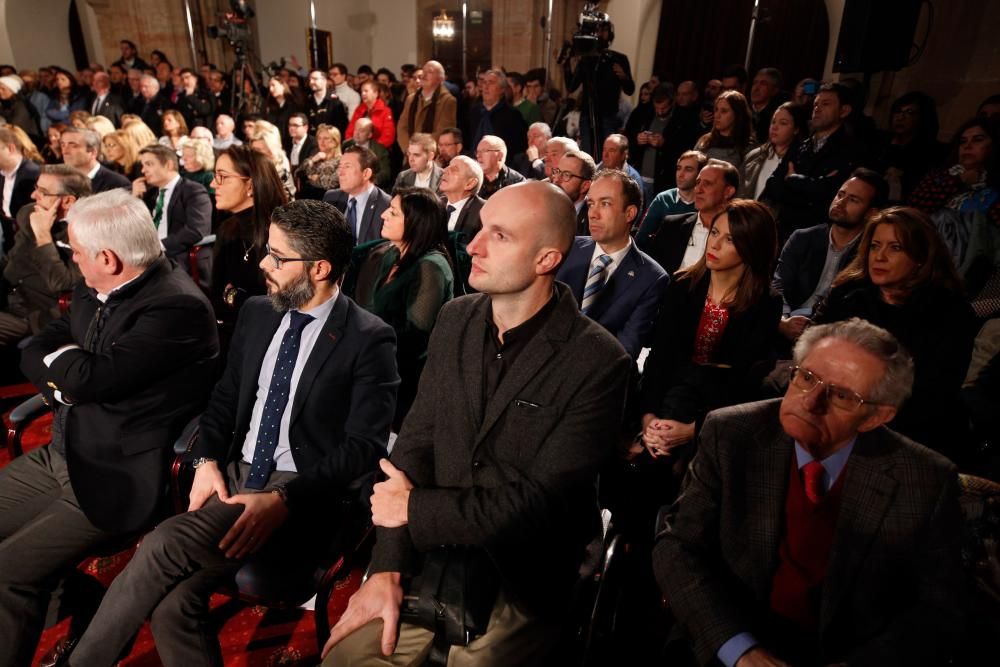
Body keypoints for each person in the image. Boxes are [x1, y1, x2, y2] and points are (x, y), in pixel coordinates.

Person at [67, 199, 399, 667]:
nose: (263, 263)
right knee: (174, 603)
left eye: (278, 257)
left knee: (162, 543)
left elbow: (364, 448)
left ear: (320, 268)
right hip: (238, 476)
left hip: (303, 494)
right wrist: (205, 460)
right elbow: (224, 399)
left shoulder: (370, 337)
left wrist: (285, 499)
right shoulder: (258, 313)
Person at [322, 180, 632, 665]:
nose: (473, 246)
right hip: (432, 556)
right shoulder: (455, 319)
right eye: (480, 228)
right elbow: (415, 447)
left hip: (523, 573)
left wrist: (414, 510)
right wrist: (386, 569)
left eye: (500, 236)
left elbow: (538, 505)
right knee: (348, 658)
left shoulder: (599, 361)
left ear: (546, 259)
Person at [654, 318, 964, 667]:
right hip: (728, 643)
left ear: (876, 417)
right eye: (807, 377)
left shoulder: (926, 479)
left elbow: (940, 608)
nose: (811, 401)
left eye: (842, 395)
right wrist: (740, 650)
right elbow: (678, 548)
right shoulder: (730, 433)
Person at [1, 189, 218, 666]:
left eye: (75, 252)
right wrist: (67, 384)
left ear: (108, 257)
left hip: (111, 475)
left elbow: (91, 378)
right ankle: (76, 597)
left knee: (8, 571)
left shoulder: (175, 307)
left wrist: (72, 377)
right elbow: (41, 345)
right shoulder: (94, 281)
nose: (71, 259)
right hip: (60, 449)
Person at [813, 207, 978, 463]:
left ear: (920, 257)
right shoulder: (847, 293)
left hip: (908, 427)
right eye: (875, 246)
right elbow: (812, 353)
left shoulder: (951, 312)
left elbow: (933, 392)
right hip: (833, 411)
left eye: (895, 248)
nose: (880, 256)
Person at [350, 187, 454, 428]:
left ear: (417, 222)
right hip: (374, 363)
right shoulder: (388, 255)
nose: (384, 215)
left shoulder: (432, 267)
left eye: (394, 213)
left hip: (406, 381)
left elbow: (415, 340)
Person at [556, 169, 669, 359]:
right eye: (591, 203)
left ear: (629, 213)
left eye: (605, 204)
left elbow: (625, 350)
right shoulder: (567, 248)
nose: (593, 213)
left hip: (595, 376)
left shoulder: (652, 278)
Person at [773, 169, 886, 343]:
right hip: (788, 323)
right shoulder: (803, 238)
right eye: (840, 194)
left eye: (853, 200)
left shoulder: (870, 252)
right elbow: (780, 284)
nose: (840, 202)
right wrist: (783, 320)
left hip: (832, 336)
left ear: (871, 213)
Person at [761, 82, 866, 242]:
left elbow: (830, 196)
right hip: (784, 232)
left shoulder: (849, 151)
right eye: (816, 104)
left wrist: (794, 180)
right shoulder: (800, 146)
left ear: (844, 111)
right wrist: (813, 186)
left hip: (817, 237)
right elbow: (772, 185)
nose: (817, 108)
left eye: (825, 104)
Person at [0, 165, 90, 345]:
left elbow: (61, 284)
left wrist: (43, 235)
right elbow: (13, 258)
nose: (34, 196)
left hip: (37, 313)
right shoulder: (29, 213)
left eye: (43, 192)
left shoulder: (87, 233)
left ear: (67, 201)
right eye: (36, 188)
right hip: (6, 294)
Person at [210, 145, 288, 345]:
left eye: (222, 177)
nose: (213, 184)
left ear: (250, 186)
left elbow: (279, 305)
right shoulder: (228, 228)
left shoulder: (284, 233)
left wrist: (233, 295)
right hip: (231, 335)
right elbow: (217, 294)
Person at [909, 116, 999, 271]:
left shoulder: (996, 188)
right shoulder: (940, 177)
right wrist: (958, 181)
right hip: (923, 256)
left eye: (978, 140)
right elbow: (914, 210)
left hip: (974, 267)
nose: (967, 146)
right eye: (963, 141)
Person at [640, 159, 738, 274]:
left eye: (707, 184)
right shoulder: (672, 225)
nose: (698, 190)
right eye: (698, 183)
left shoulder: (738, 235)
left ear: (728, 192)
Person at [132, 143, 212, 280]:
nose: (143, 171)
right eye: (142, 165)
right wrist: (135, 198)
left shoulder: (193, 190)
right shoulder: (149, 194)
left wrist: (158, 246)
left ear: (168, 165)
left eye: (149, 164)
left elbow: (196, 230)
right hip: (148, 256)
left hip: (177, 256)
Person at [561, 13, 635, 154]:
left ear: (610, 33)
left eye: (604, 30)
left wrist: (624, 76)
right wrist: (566, 65)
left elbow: (630, 89)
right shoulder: (586, 59)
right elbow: (571, 86)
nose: (600, 34)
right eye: (598, 30)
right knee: (588, 153)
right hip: (587, 115)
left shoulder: (619, 58)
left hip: (609, 115)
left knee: (607, 154)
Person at [626, 84, 700, 205]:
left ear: (672, 103)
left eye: (664, 108)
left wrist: (665, 144)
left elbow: (689, 149)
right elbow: (627, 136)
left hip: (665, 180)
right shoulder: (643, 112)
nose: (660, 112)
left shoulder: (684, 119)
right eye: (657, 108)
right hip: (639, 176)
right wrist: (637, 139)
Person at [876, 92, 948, 203]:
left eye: (909, 112)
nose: (900, 117)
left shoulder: (932, 152)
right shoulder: (879, 142)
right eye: (898, 111)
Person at [323, 145, 392, 244]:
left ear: (366, 174)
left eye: (347, 166)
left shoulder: (386, 205)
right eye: (340, 167)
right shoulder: (331, 198)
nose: (340, 173)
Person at [636, 150, 707, 245]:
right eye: (679, 168)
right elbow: (641, 238)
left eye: (688, 169)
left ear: (700, 175)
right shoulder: (663, 199)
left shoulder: (705, 203)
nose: (680, 174)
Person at [740, 102, 808, 200]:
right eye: (773, 122)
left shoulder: (801, 160)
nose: (774, 127)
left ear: (796, 129)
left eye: (783, 123)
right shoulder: (754, 155)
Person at [465, 69, 528, 159]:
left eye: (491, 83)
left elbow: (518, 147)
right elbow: (467, 140)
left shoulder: (512, 115)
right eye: (484, 83)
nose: (486, 87)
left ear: (502, 89)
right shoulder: (474, 111)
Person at [396, 60, 457, 151]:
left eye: (430, 72)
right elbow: (402, 127)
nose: (424, 75)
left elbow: (443, 132)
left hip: (432, 156)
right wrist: (410, 149)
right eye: (424, 71)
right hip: (410, 154)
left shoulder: (448, 101)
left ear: (440, 79)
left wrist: (422, 151)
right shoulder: (411, 99)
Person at [694, 89, 755, 169]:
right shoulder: (705, 141)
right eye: (716, 110)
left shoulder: (748, 147)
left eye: (724, 111)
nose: (717, 116)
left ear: (737, 115)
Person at [60, 127, 130, 193]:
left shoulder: (117, 184)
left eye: (73, 146)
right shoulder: (62, 181)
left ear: (93, 152)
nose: (65, 151)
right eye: (63, 145)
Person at [249, 119, 296, 200]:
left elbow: (287, 202)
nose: (256, 156)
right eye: (254, 150)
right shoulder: (247, 166)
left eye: (260, 151)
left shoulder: (282, 168)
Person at [552, 148, 596, 233]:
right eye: (557, 171)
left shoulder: (592, 222)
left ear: (585, 186)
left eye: (566, 175)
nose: (557, 179)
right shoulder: (545, 210)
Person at [343, 117, 392, 190]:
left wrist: (368, 181)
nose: (357, 133)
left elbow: (385, 173)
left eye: (361, 131)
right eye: (356, 129)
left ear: (370, 135)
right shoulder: (346, 145)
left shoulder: (380, 150)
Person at [346, 80, 396, 151]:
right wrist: (353, 145)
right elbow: (350, 130)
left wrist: (374, 149)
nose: (363, 94)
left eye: (366, 91)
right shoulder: (359, 109)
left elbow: (388, 136)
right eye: (361, 91)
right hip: (357, 148)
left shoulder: (385, 111)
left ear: (375, 93)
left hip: (377, 150)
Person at [296, 123, 342, 200]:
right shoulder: (314, 158)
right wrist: (312, 160)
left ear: (335, 141)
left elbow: (331, 183)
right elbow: (298, 173)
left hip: (328, 202)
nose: (321, 141)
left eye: (326, 138)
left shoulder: (341, 161)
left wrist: (314, 178)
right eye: (319, 138)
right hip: (307, 201)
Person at [476, 134, 525, 200]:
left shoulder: (518, 182)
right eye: (477, 152)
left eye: (484, 151)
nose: (478, 155)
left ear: (500, 156)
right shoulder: (471, 179)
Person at [304, 69, 349, 137]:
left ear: (324, 81)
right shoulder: (306, 102)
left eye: (315, 79)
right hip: (313, 143)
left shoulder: (335, 103)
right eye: (310, 79)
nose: (311, 82)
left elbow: (342, 127)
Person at [749, 67, 785, 146]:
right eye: (755, 83)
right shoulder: (742, 110)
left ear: (774, 90)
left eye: (763, 83)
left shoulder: (776, 116)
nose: (756, 88)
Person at [264, 75, 300, 147]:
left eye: (273, 85)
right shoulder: (269, 107)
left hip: (290, 143)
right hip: (273, 143)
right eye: (270, 86)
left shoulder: (293, 105)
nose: (271, 89)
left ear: (282, 86)